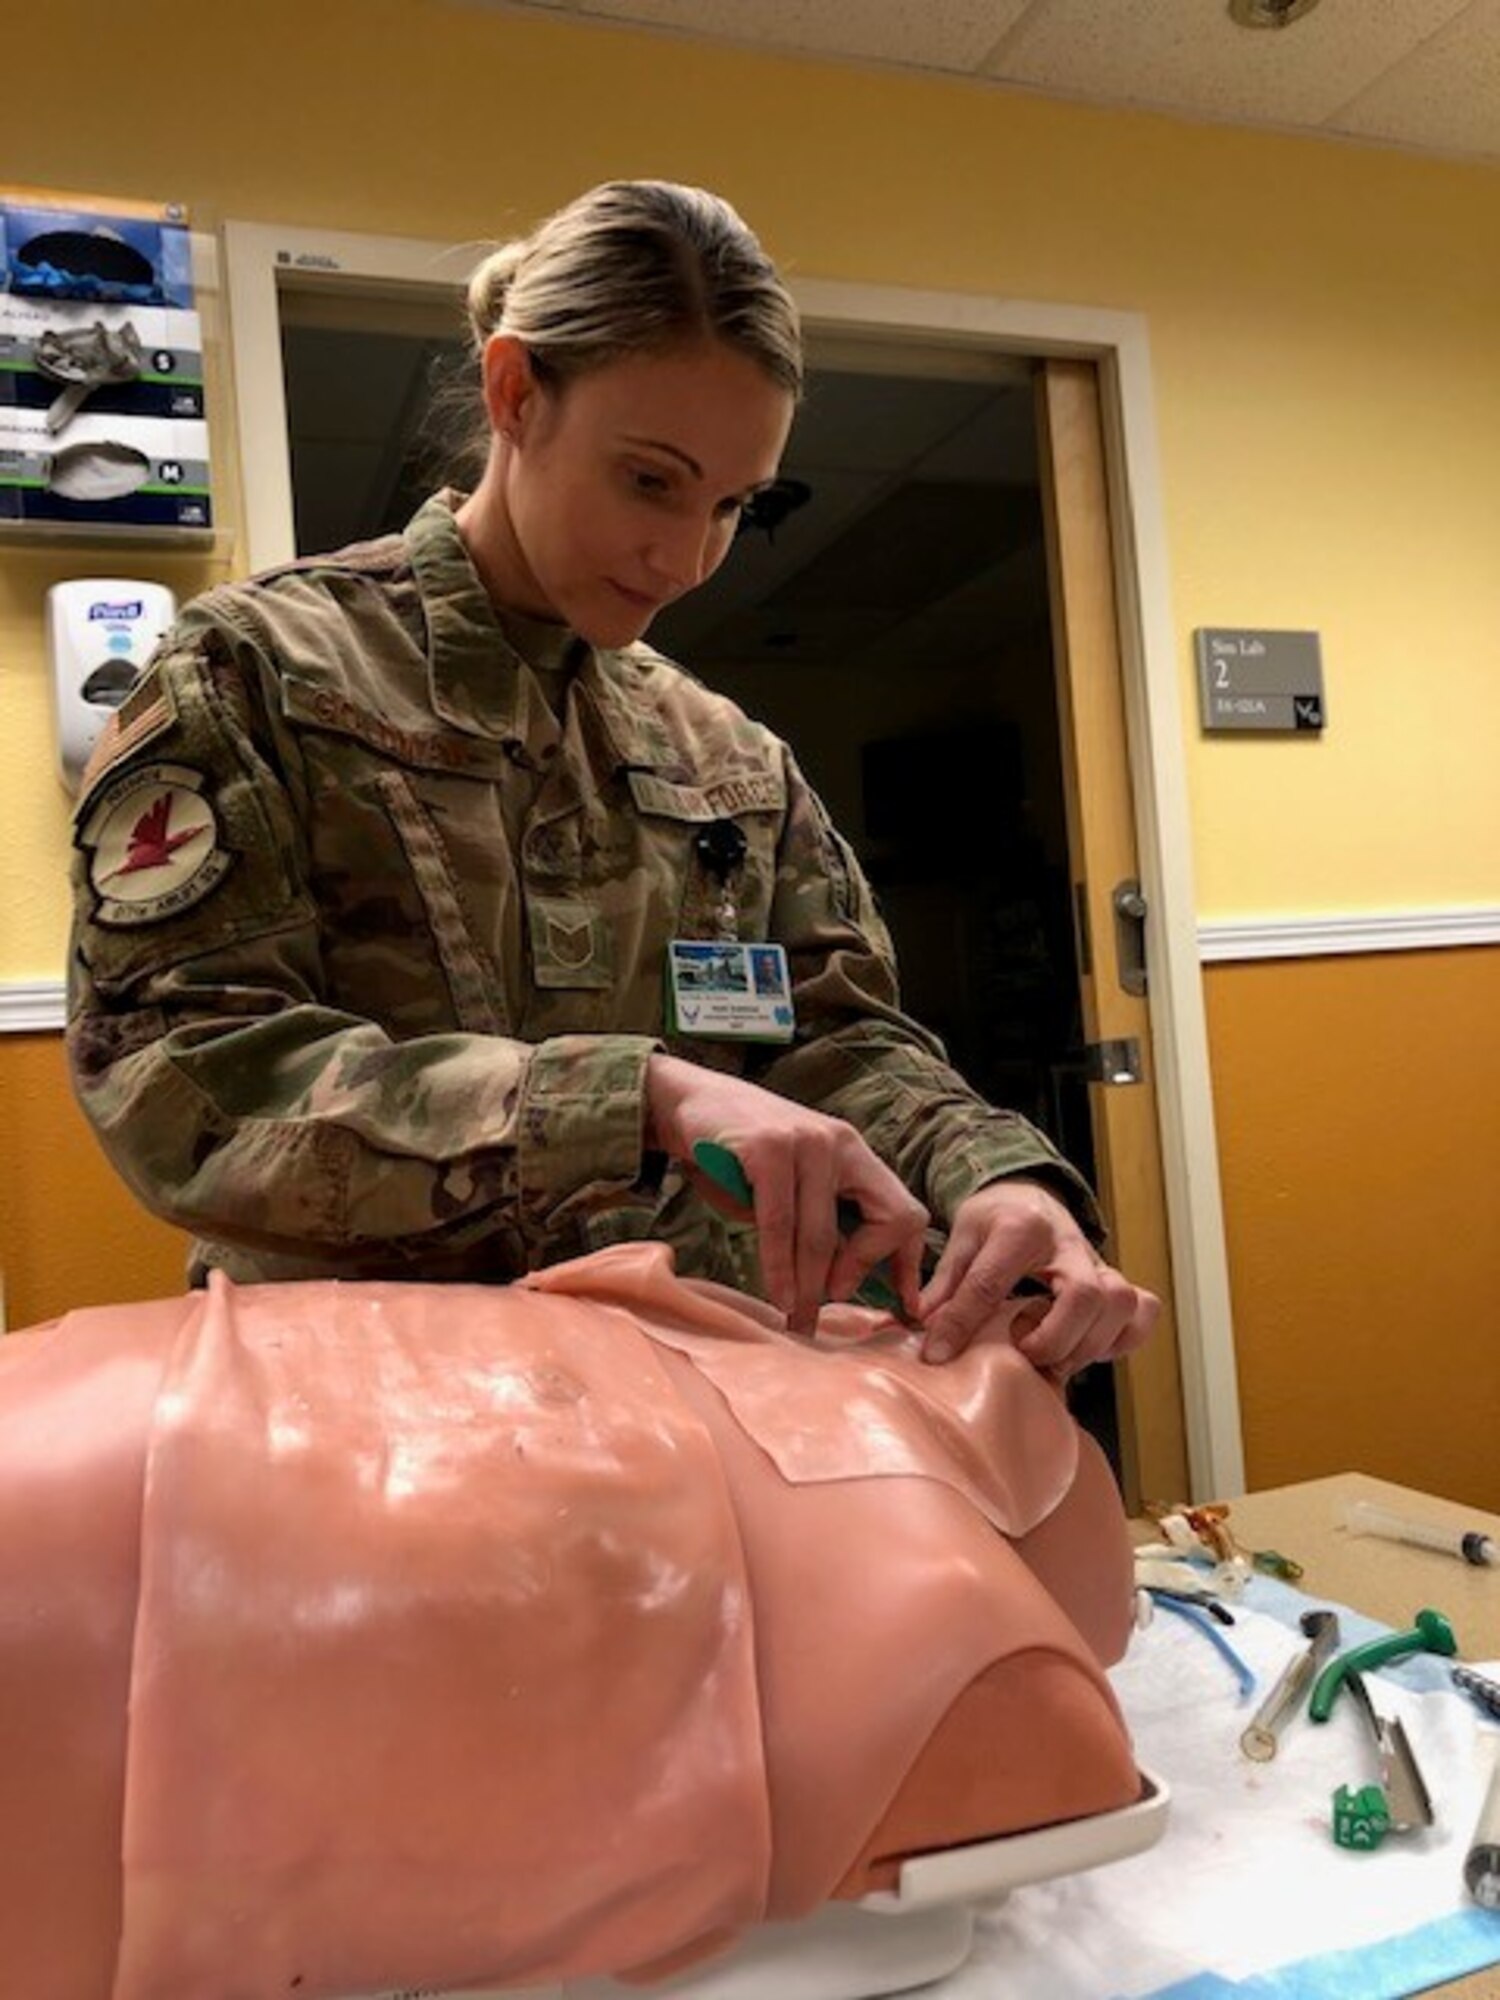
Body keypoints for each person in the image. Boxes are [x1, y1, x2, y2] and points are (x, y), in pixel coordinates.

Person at [66, 180, 1157, 1378]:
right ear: (515, 392)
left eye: (735, 505)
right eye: (650, 479)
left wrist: (991, 1170)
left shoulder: (728, 757)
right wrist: (635, 1097)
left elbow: (837, 1040)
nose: (687, 557)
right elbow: (183, 1082)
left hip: (694, 1412)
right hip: (362, 1427)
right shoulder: (257, 670)